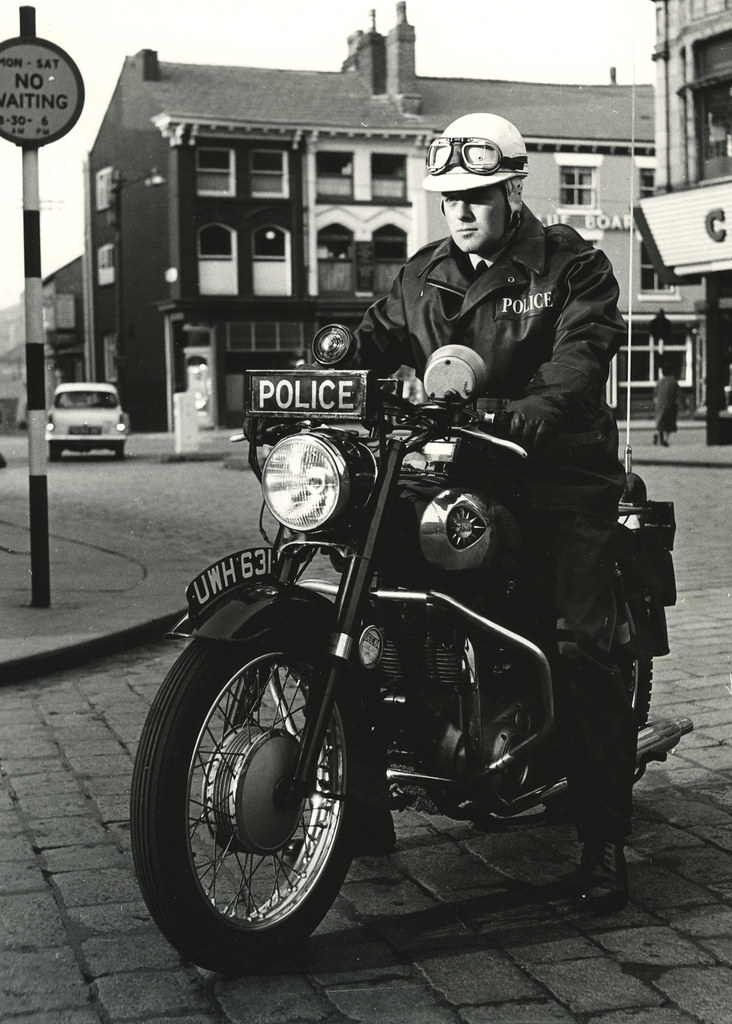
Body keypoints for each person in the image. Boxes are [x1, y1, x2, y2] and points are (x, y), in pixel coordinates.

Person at [351, 112, 637, 912]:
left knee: (577, 644)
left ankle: (603, 839)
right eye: (449, 198)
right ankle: (363, 801)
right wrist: (318, 376)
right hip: (448, 471)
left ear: (513, 190)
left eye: (476, 195)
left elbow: (578, 360)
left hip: (554, 477)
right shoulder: (420, 276)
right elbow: (370, 342)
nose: (461, 210)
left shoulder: (573, 267)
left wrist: (526, 413)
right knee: (368, 593)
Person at [653, 359, 682, 447]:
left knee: (660, 422)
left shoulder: (660, 381)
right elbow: (678, 394)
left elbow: (655, 393)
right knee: (669, 423)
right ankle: (665, 439)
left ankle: (658, 435)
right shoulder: (674, 381)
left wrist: (656, 402)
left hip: (660, 405)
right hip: (670, 405)